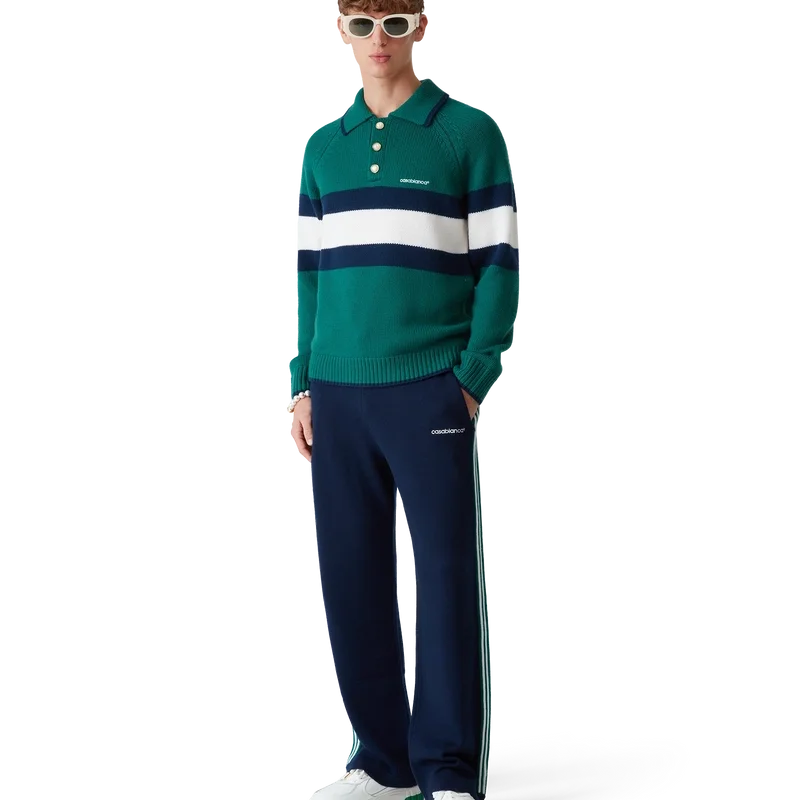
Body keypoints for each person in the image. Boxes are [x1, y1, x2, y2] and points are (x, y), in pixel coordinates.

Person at [288, 1, 519, 797]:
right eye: (361, 24)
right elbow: (310, 278)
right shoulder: (324, 148)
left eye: (393, 22)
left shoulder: (468, 135)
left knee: (447, 575)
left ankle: (447, 769)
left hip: (430, 388)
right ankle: (381, 762)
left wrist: (473, 377)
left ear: (419, 25)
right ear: (338, 32)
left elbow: (498, 264)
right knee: (350, 575)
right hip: (338, 391)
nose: (377, 41)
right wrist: (300, 385)